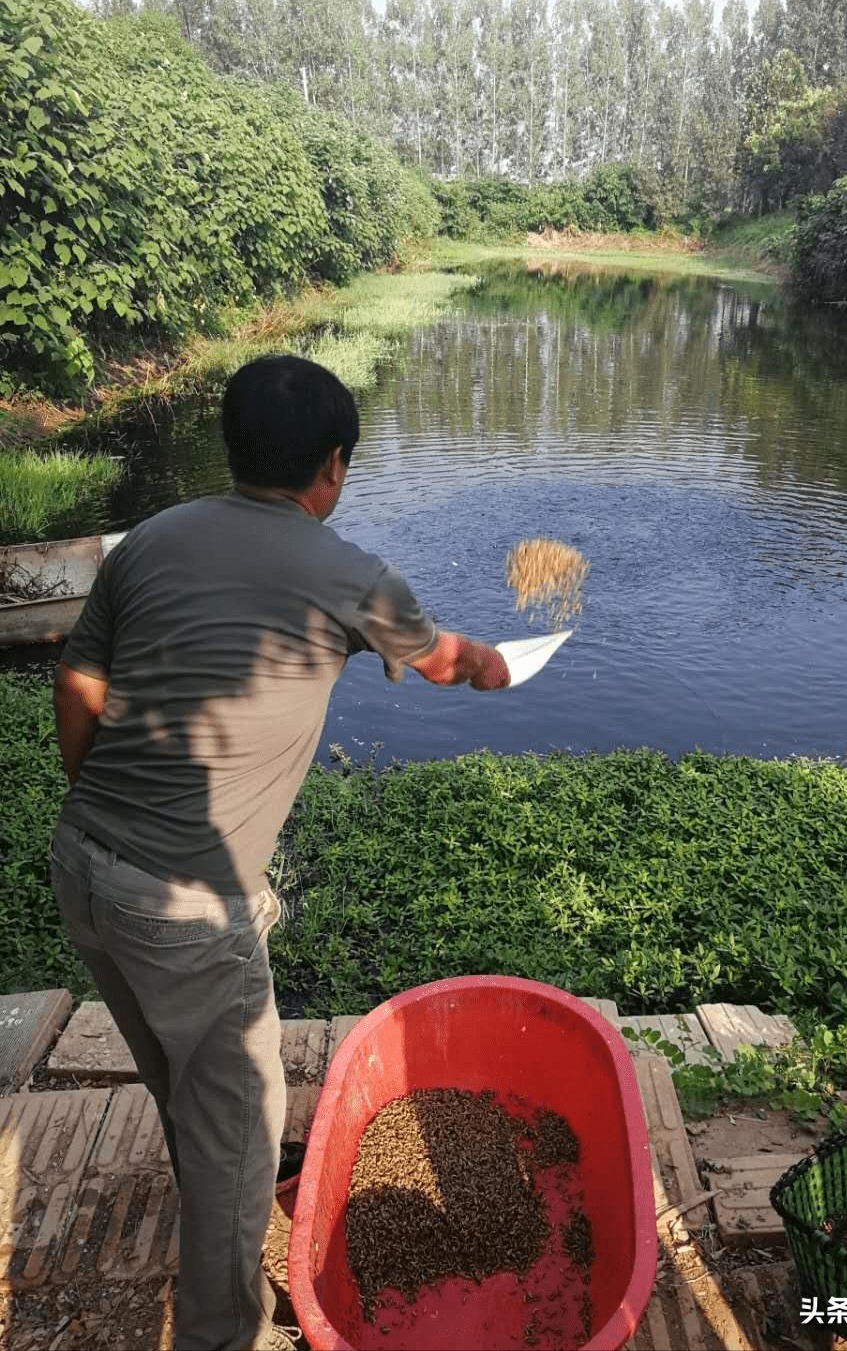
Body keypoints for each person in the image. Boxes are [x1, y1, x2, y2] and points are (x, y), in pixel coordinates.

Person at [48, 354, 511, 1351]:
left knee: (178, 1080)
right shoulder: (349, 577)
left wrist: (104, 805)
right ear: (332, 467)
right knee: (240, 1125)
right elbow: (448, 664)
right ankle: (224, 1332)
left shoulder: (149, 541)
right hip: (184, 908)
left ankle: (218, 1211)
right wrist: (496, 665)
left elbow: (78, 686)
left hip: (82, 865)